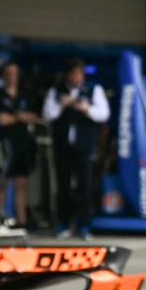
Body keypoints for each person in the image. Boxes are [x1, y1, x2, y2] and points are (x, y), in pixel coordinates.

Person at [43, 58, 110, 239]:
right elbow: (48, 114)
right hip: (63, 147)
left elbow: (103, 114)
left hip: (85, 147)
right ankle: (63, 223)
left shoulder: (93, 90)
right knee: (63, 186)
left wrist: (86, 109)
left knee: (85, 187)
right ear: (67, 75)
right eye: (72, 74)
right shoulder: (56, 91)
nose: (76, 77)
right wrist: (62, 105)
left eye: (79, 74)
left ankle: (85, 225)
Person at [0, 60, 41, 229]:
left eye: (14, 73)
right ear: (4, 75)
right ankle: (0, 220)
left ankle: (22, 222)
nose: (12, 76)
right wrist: (19, 117)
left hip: (23, 146)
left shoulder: (25, 96)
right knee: (3, 183)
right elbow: (2, 119)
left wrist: (16, 116)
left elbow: (33, 117)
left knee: (21, 185)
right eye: (8, 73)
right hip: (5, 145)